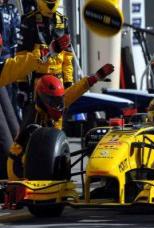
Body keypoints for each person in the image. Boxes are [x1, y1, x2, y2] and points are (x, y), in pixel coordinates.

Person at [7, 63, 115, 180]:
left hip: (45, 154)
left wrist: (95, 78)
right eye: (54, 101)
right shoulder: (33, 123)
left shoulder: (57, 101)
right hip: (19, 170)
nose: (58, 106)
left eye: (60, 100)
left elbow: (74, 91)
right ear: (42, 99)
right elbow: (29, 159)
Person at [17, 0, 73, 128]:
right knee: (33, 124)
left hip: (58, 83)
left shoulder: (63, 21)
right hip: (38, 82)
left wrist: (69, 82)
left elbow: (67, 58)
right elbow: (21, 56)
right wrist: (22, 85)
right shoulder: (28, 20)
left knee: (56, 125)